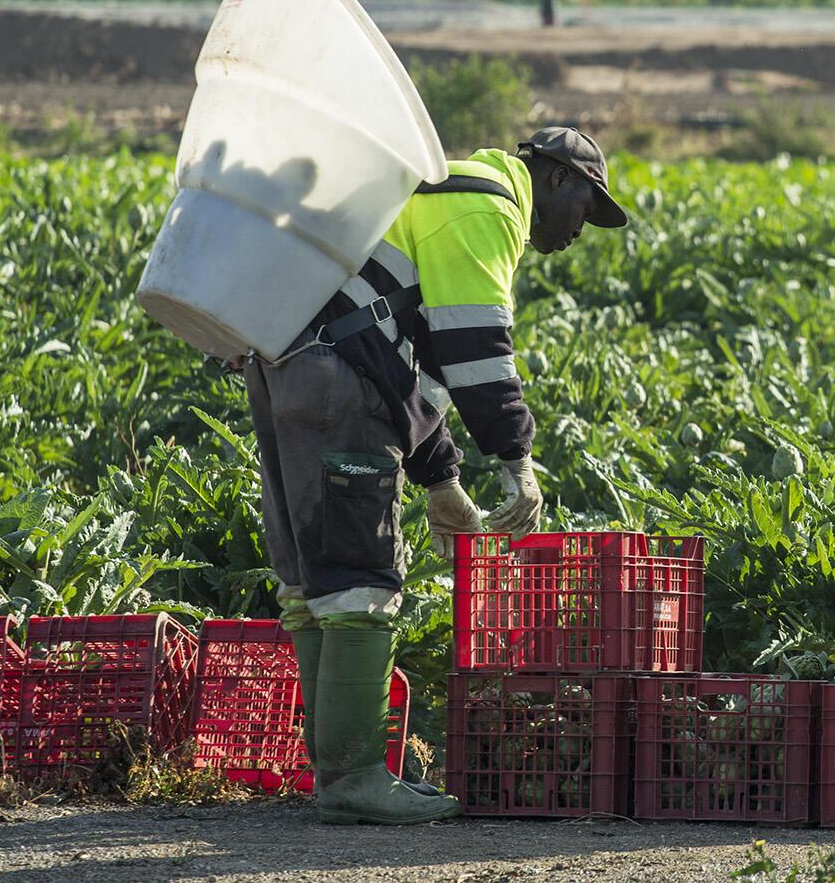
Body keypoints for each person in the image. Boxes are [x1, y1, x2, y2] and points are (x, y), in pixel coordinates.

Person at [244, 125, 627, 825]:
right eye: (587, 205)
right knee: (361, 579)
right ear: (554, 177)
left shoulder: (440, 184)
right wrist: (518, 464)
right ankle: (354, 778)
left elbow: (403, 359)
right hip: (338, 380)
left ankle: (337, 774)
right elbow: (474, 350)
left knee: (314, 582)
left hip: (286, 364)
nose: (583, 228)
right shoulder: (487, 202)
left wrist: (441, 478)